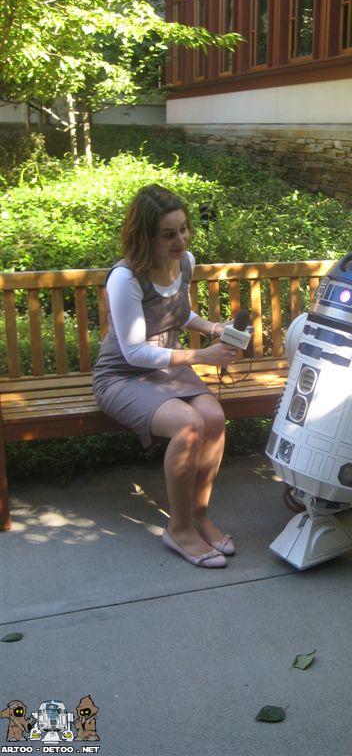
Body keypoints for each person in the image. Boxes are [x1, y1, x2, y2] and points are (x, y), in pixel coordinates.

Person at [93, 184, 240, 569]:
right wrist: (202, 355)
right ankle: (180, 528)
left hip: (168, 367)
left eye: (184, 229)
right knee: (188, 426)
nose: (181, 240)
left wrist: (215, 328)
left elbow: (179, 313)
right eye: (168, 234)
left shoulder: (184, 262)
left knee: (213, 417)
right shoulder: (125, 278)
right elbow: (135, 352)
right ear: (145, 236)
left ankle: (198, 514)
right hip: (122, 375)